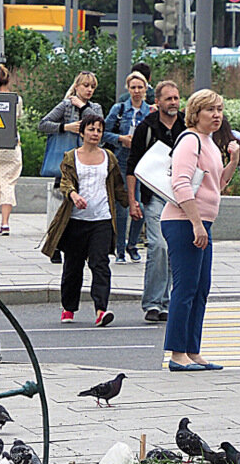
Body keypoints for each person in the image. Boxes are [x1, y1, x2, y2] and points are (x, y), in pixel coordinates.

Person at [165, 89, 240, 371]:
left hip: (200, 222)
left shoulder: (209, 142)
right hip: (183, 220)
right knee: (185, 289)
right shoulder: (190, 140)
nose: (217, 115)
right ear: (195, 114)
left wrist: (232, 161)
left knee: (200, 289)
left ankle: (192, 350)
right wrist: (196, 224)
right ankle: (177, 354)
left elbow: (216, 185)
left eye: (220, 109)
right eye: (210, 110)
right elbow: (181, 184)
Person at [40, 114, 127, 327]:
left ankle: (101, 310)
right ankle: (69, 308)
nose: (95, 134)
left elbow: (117, 186)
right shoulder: (71, 157)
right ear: (82, 132)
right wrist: (74, 195)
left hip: (102, 219)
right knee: (73, 266)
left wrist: (132, 204)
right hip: (76, 220)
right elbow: (66, 182)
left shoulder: (109, 157)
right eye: (91, 129)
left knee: (100, 264)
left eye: (99, 130)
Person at [125, 80, 183, 323]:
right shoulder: (146, 128)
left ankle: (166, 302)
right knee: (159, 246)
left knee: (174, 249)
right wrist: (132, 200)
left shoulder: (186, 126)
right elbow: (132, 166)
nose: (173, 103)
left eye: (176, 98)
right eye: (168, 99)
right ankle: (152, 303)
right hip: (154, 196)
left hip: (181, 197)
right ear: (157, 102)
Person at [39, 71, 104, 261]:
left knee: (82, 201)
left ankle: (76, 243)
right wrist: (65, 127)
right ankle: (56, 244)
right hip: (66, 161)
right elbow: (43, 124)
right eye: (86, 85)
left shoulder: (94, 107)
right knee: (61, 202)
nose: (89, 89)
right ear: (77, 86)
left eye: (92, 86)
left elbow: (99, 123)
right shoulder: (66, 105)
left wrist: (83, 107)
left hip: (88, 161)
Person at [104, 71, 149, 264]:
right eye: (133, 88)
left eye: (140, 87)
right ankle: (120, 248)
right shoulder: (119, 109)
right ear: (128, 89)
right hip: (122, 162)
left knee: (141, 207)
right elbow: (103, 132)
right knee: (122, 208)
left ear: (146, 89)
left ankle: (133, 244)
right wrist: (120, 139)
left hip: (143, 164)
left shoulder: (150, 112)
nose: (137, 91)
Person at [0, 64, 22, 236]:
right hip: (11, 143)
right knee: (8, 183)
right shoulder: (16, 98)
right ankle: (5, 222)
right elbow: (17, 117)